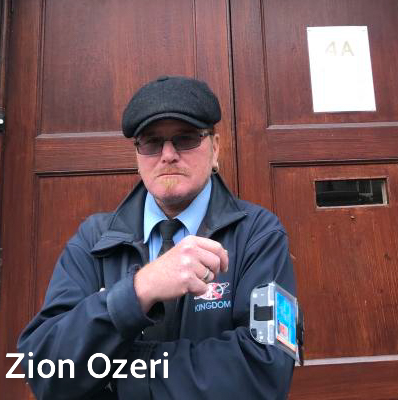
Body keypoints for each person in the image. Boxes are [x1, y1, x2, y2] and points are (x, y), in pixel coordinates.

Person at [17, 75, 297, 399]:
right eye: (151, 142)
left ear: (216, 148)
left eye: (186, 138)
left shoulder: (259, 236)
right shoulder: (93, 241)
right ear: (137, 156)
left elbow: (266, 369)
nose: (168, 155)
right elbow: (45, 368)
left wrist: (120, 373)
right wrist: (138, 290)